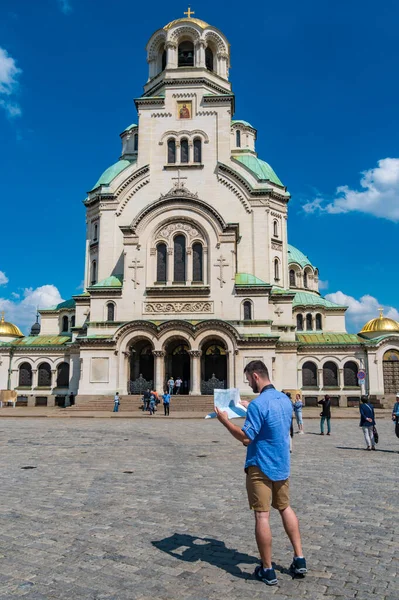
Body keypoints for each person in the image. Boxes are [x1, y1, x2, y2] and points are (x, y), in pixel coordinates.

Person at [215, 360, 307, 586]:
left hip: (261, 466)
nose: (248, 383)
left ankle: (267, 569)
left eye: (248, 379)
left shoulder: (259, 405)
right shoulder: (285, 400)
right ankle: (300, 558)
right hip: (282, 465)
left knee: (262, 516)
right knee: (285, 508)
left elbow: (246, 438)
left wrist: (225, 422)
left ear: (256, 376)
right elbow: (273, 423)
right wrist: (249, 406)